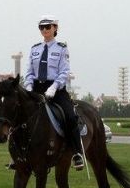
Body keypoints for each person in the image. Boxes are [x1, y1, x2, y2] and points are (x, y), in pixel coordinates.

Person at [21, 15, 85, 170]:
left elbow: (64, 72)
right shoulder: (35, 48)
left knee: (70, 116)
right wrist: (28, 86)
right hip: (36, 88)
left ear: (55, 28)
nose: (44, 30)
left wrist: (54, 87)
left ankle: (77, 153)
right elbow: (29, 71)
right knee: (20, 115)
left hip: (56, 89)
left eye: (48, 27)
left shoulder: (62, 48)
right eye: (41, 27)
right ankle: (20, 154)